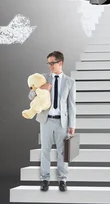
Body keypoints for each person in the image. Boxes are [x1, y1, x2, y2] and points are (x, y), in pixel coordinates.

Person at [28, 51, 76, 192]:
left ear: (60, 63)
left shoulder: (70, 82)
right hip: (46, 120)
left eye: (52, 63)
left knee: (63, 152)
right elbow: (31, 95)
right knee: (45, 151)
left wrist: (72, 125)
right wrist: (41, 89)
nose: (50, 66)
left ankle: (62, 180)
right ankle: (45, 179)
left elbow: (71, 105)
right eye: (48, 63)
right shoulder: (43, 78)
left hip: (62, 122)